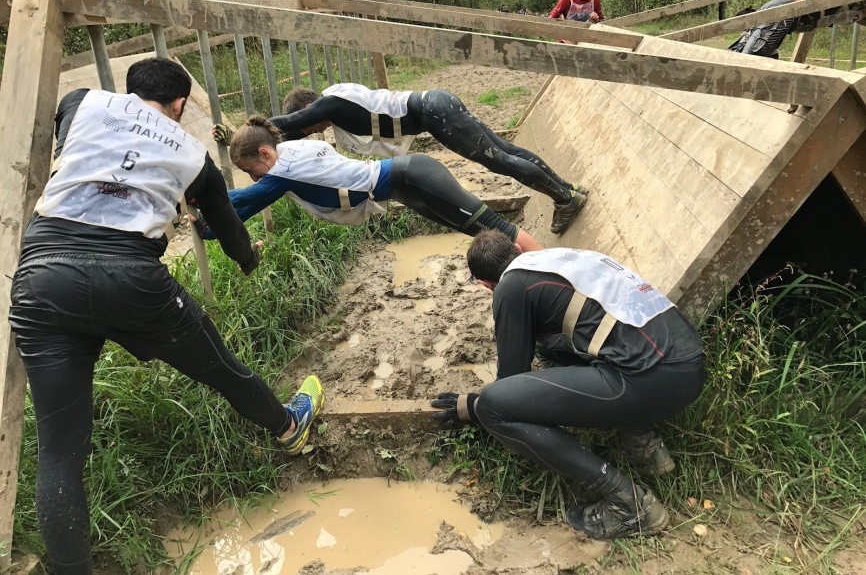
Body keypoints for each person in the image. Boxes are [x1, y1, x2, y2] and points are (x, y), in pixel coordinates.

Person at [8, 58, 325, 575]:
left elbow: (67, 138)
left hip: (43, 277)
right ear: (179, 105)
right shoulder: (193, 154)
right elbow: (225, 224)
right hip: (131, 278)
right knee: (221, 366)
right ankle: (289, 427)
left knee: (60, 454)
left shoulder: (80, 102)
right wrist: (247, 260)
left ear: (129, 88)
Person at [431, 230, 705, 540]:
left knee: (496, 406)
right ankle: (645, 449)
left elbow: (511, 381)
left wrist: (474, 406)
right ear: (518, 249)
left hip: (648, 380)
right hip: (690, 366)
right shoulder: (563, 259)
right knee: (561, 345)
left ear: (484, 284)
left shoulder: (509, 286)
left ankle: (630, 505)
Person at [269, 83, 588, 235]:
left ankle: (564, 198)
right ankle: (567, 189)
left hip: (434, 113)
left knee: (500, 160)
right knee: (505, 151)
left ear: (308, 111)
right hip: (437, 105)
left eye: (309, 126)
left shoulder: (331, 104)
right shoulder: (338, 100)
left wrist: (250, 131)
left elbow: (285, 125)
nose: (313, 131)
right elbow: (292, 137)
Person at [197, 116, 544, 252]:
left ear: (264, 155)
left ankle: (553, 266)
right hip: (408, 186)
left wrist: (205, 223)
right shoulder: (288, 150)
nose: (255, 179)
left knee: (495, 227)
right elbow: (246, 193)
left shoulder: (280, 171)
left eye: (253, 171)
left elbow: (242, 203)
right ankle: (535, 272)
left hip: (414, 177)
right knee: (479, 232)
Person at [729, 0, 861, 58]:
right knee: (744, 56)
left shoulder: (855, 4)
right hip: (785, 12)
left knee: (755, 57)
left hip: (786, 13)